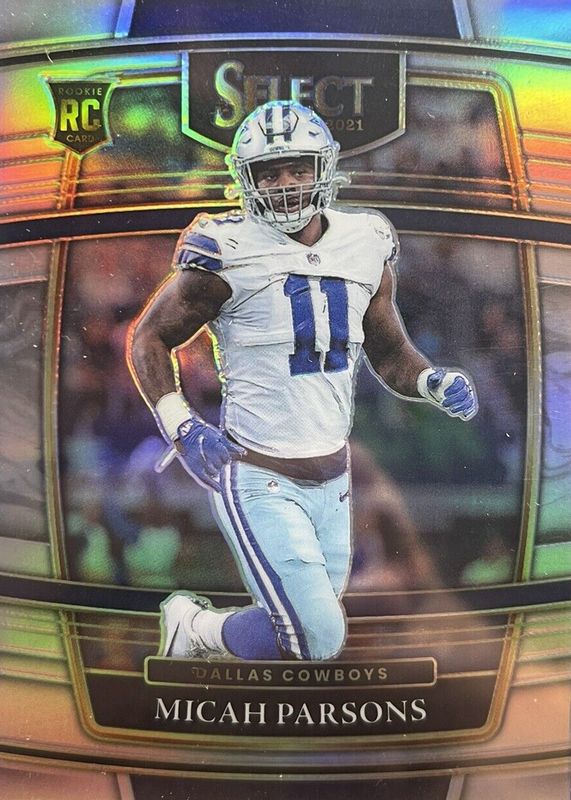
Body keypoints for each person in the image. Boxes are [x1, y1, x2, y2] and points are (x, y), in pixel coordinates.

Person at [127, 100, 477, 662]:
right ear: (247, 180)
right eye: (269, 173)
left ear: (324, 169)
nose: (286, 184)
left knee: (305, 625)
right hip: (258, 473)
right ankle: (198, 628)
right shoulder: (225, 249)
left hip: (334, 477)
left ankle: (195, 632)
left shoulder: (365, 239)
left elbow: (388, 351)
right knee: (319, 637)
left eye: (297, 168)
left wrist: (431, 380)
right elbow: (149, 337)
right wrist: (181, 424)